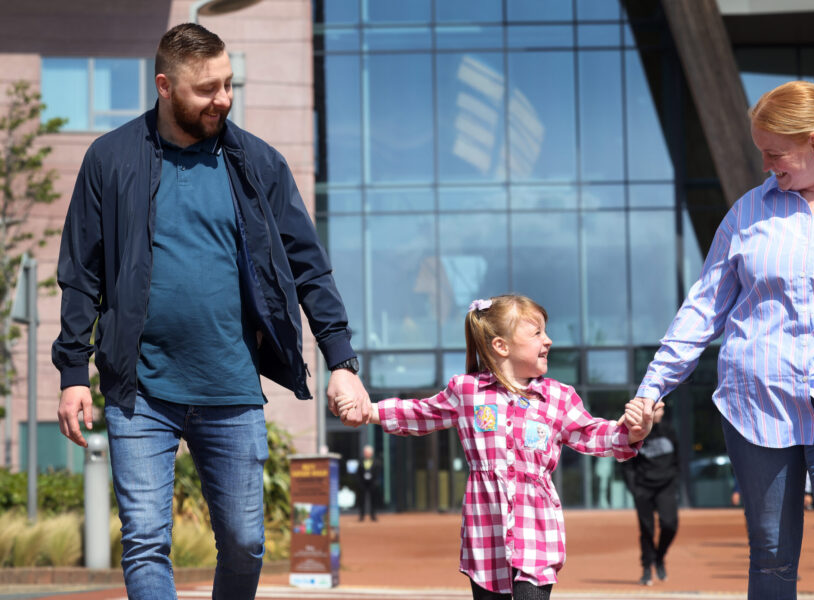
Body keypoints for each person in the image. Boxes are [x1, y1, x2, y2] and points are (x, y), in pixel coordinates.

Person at [51, 23, 371, 600]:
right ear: (165, 86)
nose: (223, 99)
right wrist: (73, 372)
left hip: (230, 386)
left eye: (228, 84)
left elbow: (308, 266)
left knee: (246, 541)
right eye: (207, 89)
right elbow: (81, 274)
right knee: (146, 540)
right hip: (139, 390)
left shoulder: (258, 164)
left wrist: (340, 359)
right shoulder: (110, 159)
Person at [631, 80, 814, 600]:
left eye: (774, 153)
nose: (765, 166)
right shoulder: (748, 214)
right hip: (757, 402)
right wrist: (651, 390)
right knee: (772, 556)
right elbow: (702, 310)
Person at [338, 295, 660, 599]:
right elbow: (423, 413)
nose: (548, 340)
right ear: (501, 346)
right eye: (537, 333)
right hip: (484, 534)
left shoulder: (559, 397)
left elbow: (592, 434)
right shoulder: (467, 391)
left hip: (537, 533)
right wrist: (370, 412)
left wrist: (631, 433)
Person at [622, 404, 679, 586]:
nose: (660, 413)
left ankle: (659, 557)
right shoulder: (638, 432)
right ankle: (647, 568)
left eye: (662, 410)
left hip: (666, 486)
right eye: (656, 410)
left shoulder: (669, 430)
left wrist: (674, 479)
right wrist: (634, 488)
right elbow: (626, 462)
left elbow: (677, 458)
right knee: (647, 530)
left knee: (670, 524)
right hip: (643, 487)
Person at [357, 444, 380, 521]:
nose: (366, 453)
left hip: (372, 483)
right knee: (362, 500)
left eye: (367, 452)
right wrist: (359, 482)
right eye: (365, 452)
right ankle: (361, 516)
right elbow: (358, 473)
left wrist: (375, 482)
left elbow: (377, 473)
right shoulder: (360, 461)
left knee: (373, 500)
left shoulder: (376, 462)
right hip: (363, 483)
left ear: (371, 453)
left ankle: (373, 515)